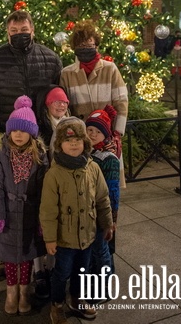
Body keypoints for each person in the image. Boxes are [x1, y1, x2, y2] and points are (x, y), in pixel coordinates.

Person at [40, 118, 113, 323]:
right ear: (60, 145)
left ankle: (76, 299)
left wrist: (107, 223)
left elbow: (102, 198)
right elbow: (48, 210)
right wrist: (50, 238)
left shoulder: (92, 168)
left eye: (78, 140)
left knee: (82, 270)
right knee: (61, 272)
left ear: (85, 143)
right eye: (69, 140)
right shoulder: (54, 174)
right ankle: (57, 304)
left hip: (88, 233)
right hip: (64, 237)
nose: (74, 144)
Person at [0, 96, 49, 315]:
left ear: (31, 133)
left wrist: (42, 219)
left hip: (30, 213)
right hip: (9, 213)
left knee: (27, 255)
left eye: (23, 131)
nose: (18, 135)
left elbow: (43, 189)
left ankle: (24, 290)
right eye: (15, 131)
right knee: (10, 257)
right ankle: (12, 292)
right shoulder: (2, 154)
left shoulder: (40, 155)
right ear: (9, 132)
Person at [0, 10, 63, 133]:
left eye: (24, 30)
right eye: (14, 31)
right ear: (8, 33)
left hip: (44, 132)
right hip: (8, 132)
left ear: (32, 31)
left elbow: (58, 95)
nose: (19, 34)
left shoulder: (51, 59)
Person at [32, 85, 70, 300]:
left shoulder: (70, 125)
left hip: (63, 186)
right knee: (41, 229)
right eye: (56, 101)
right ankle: (39, 271)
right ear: (47, 104)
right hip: (42, 185)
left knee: (58, 228)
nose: (61, 105)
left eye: (64, 102)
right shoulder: (40, 128)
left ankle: (54, 268)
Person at [60, 20, 128, 134]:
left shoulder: (109, 68)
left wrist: (117, 133)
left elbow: (121, 102)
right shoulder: (67, 73)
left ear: (96, 45)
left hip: (106, 134)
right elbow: (64, 109)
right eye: (81, 45)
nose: (85, 48)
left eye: (89, 44)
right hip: (79, 138)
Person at [85, 107, 120, 300]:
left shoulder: (109, 159)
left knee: (101, 251)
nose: (92, 134)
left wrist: (111, 220)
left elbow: (113, 192)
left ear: (105, 134)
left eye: (97, 132)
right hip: (87, 213)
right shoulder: (85, 153)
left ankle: (103, 288)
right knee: (92, 251)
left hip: (101, 213)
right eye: (89, 130)